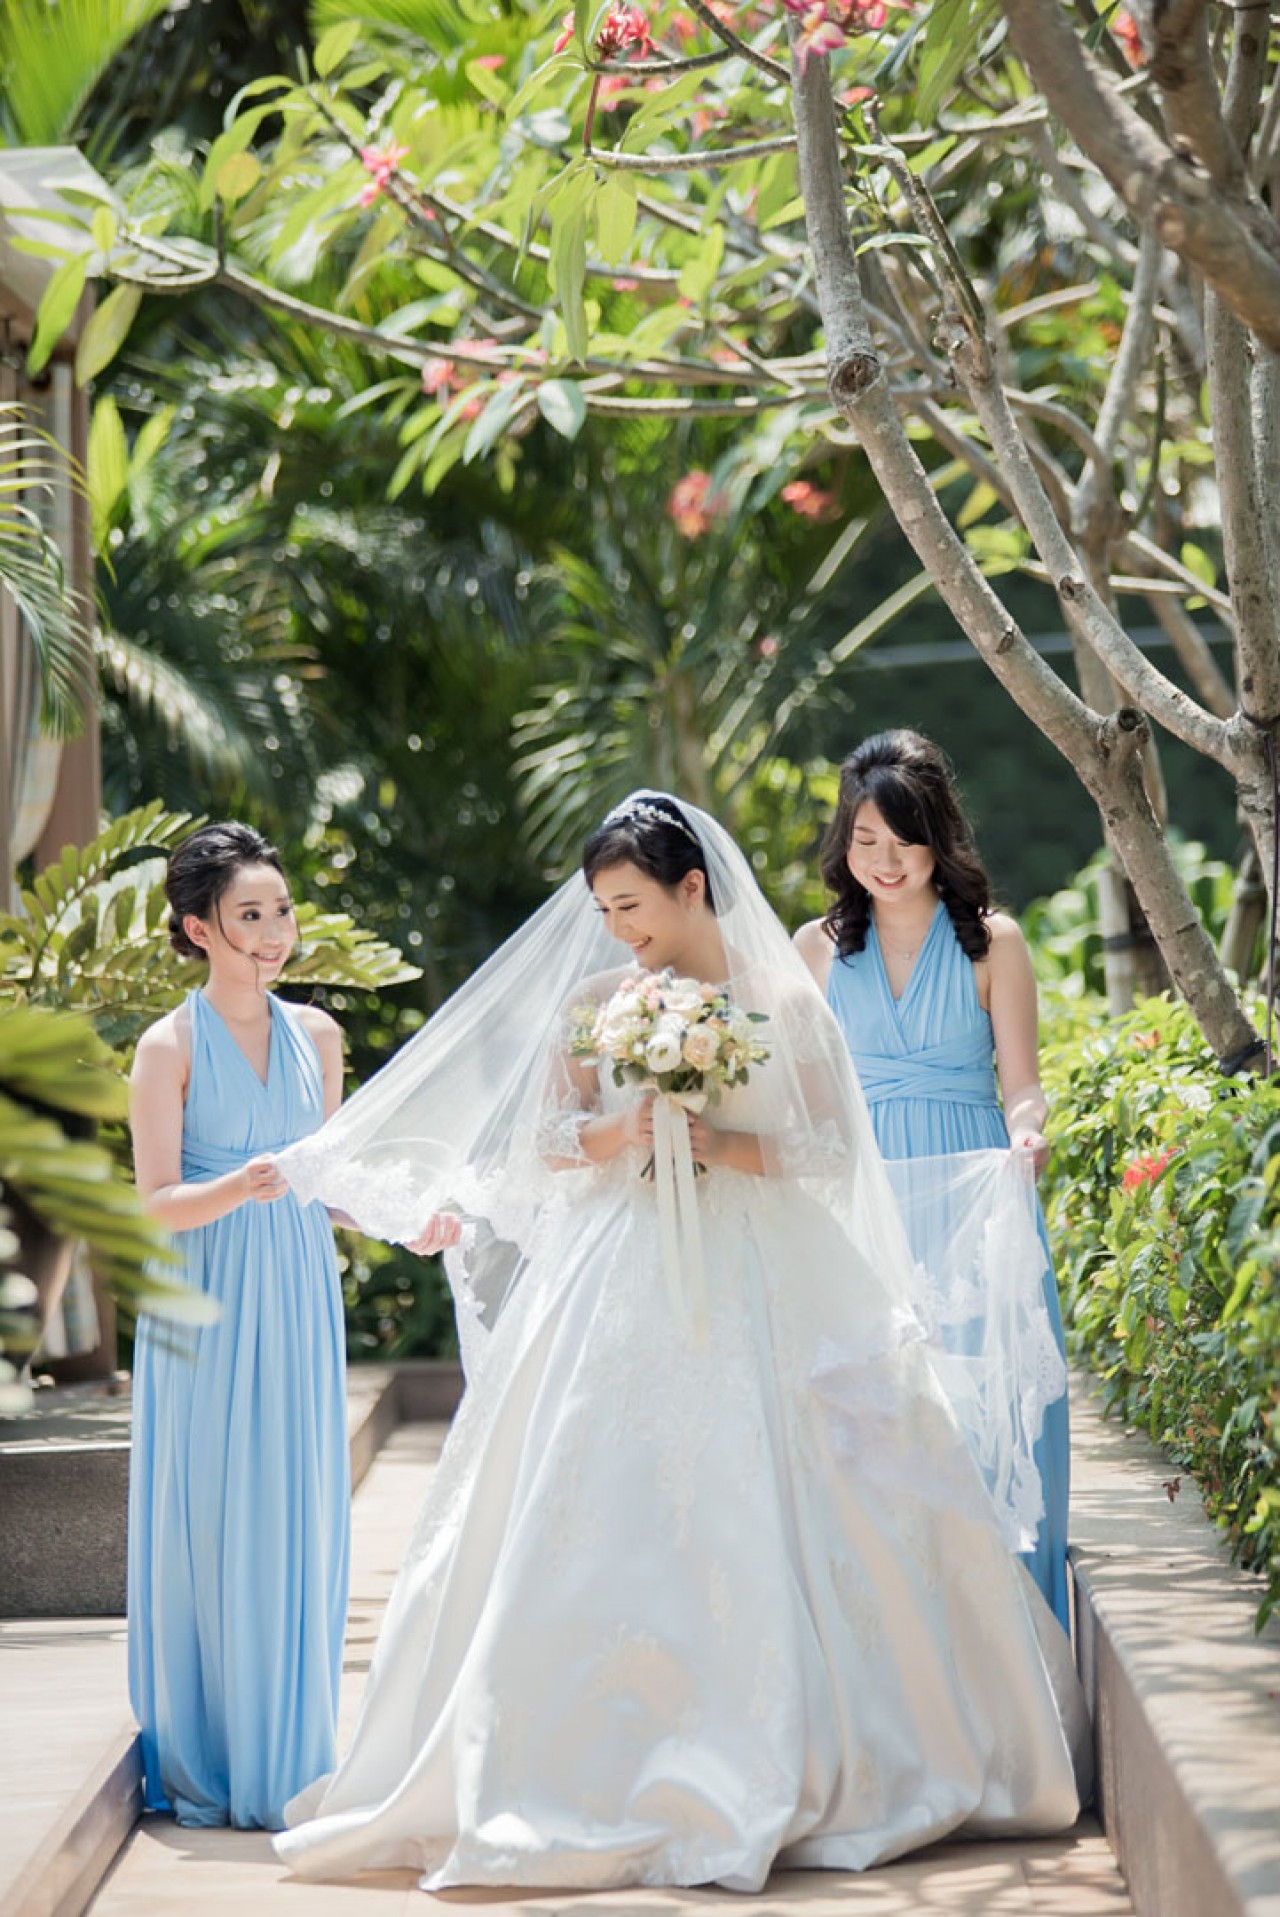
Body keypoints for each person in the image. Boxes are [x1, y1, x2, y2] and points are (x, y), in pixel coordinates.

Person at [269, 792, 1086, 1893]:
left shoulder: (780, 997)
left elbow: (825, 1146)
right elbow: (549, 1140)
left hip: (763, 1261)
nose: (619, 931)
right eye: (605, 911)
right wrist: (620, 1131)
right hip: (613, 1265)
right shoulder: (599, 1001)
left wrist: (712, 1144)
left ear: (692, 887)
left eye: (632, 906)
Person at [127, 821, 455, 1828]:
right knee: (213, 1512)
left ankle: (290, 1758)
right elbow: (154, 1202)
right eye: (250, 915)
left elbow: (327, 1182)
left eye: (281, 911)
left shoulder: (317, 1036)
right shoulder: (167, 1046)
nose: (275, 932)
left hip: (296, 1293)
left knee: (294, 1509)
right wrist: (239, 1184)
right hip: (204, 1295)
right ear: (199, 929)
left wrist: (404, 1222)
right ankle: (211, 1755)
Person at [794, 731, 1071, 1632]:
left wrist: (1027, 1133)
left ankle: (1010, 1658)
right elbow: (805, 1104)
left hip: (973, 1205)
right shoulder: (816, 950)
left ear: (937, 836)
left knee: (987, 1427)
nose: (884, 860)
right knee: (874, 1437)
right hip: (862, 1209)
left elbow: (1021, 1085)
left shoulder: (994, 942)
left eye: (903, 840)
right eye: (865, 839)